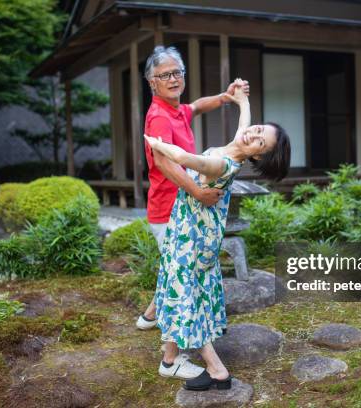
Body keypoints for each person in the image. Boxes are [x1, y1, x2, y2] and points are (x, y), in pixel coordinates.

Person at [145, 81, 291, 391]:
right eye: (259, 129)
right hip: (194, 232)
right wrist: (241, 99)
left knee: (185, 296)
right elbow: (245, 125)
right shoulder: (239, 145)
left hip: (192, 238)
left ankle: (217, 370)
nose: (253, 134)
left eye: (259, 142)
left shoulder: (222, 163)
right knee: (178, 289)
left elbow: (186, 160)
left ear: (255, 157)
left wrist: (155, 143)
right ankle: (170, 360)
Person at [136, 45, 250, 380]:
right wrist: (198, 191)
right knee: (185, 283)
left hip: (183, 209)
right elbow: (162, 161)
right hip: (170, 209)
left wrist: (224, 98)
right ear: (151, 82)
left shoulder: (175, 109)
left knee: (175, 272)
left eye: (177, 72)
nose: (173, 79)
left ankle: (150, 316)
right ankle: (184, 359)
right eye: (164, 75)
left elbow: (195, 107)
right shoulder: (158, 115)